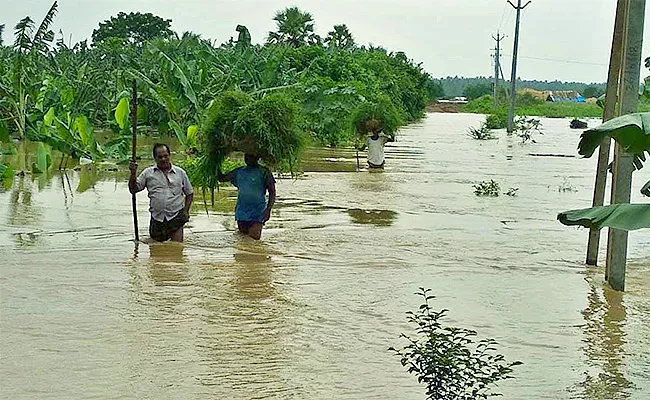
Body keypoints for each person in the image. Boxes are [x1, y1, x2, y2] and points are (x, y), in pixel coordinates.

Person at [129, 143, 194, 242]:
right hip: (157, 217)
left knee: (176, 249)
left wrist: (186, 211)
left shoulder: (180, 173)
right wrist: (133, 173)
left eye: (165, 156)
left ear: (169, 155)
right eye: (160, 157)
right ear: (155, 158)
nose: (163, 159)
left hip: (176, 216)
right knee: (155, 252)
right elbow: (133, 189)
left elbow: (189, 193)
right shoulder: (148, 173)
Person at [218, 154, 276, 240]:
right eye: (246, 156)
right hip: (242, 212)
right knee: (243, 240)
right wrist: (216, 162)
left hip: (258, 211)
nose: (248, 158)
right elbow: (222, 178)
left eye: (251, 156)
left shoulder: (264, 172)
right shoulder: (239, 171)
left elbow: (272, 192)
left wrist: (268, 210)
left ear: (257, 157)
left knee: (254, 239)